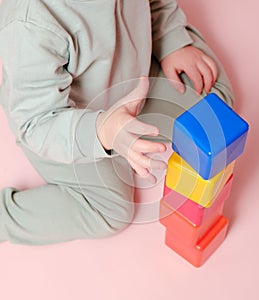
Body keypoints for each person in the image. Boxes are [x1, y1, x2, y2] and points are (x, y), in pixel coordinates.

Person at [0, 0, 234, 245]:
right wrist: (103, 132)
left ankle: (126, 130)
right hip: (64, 120)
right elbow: (38, 124)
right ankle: (5, 219)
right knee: (110, 210)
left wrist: (172, 39)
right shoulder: (31, 23)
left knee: (215, 106)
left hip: (132, 79)